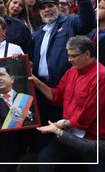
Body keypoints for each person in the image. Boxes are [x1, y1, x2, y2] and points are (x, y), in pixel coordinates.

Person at [30, 36, 104, 171]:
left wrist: (59, 126)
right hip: (69, 132)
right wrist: (37, 83)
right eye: (68, 55)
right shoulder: (72, 71)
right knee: (45, 159)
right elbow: (56, 96)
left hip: (92, 138)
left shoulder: (101, 76)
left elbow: (85, 117)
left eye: (73, 56)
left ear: (87, 54)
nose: (69, 60)